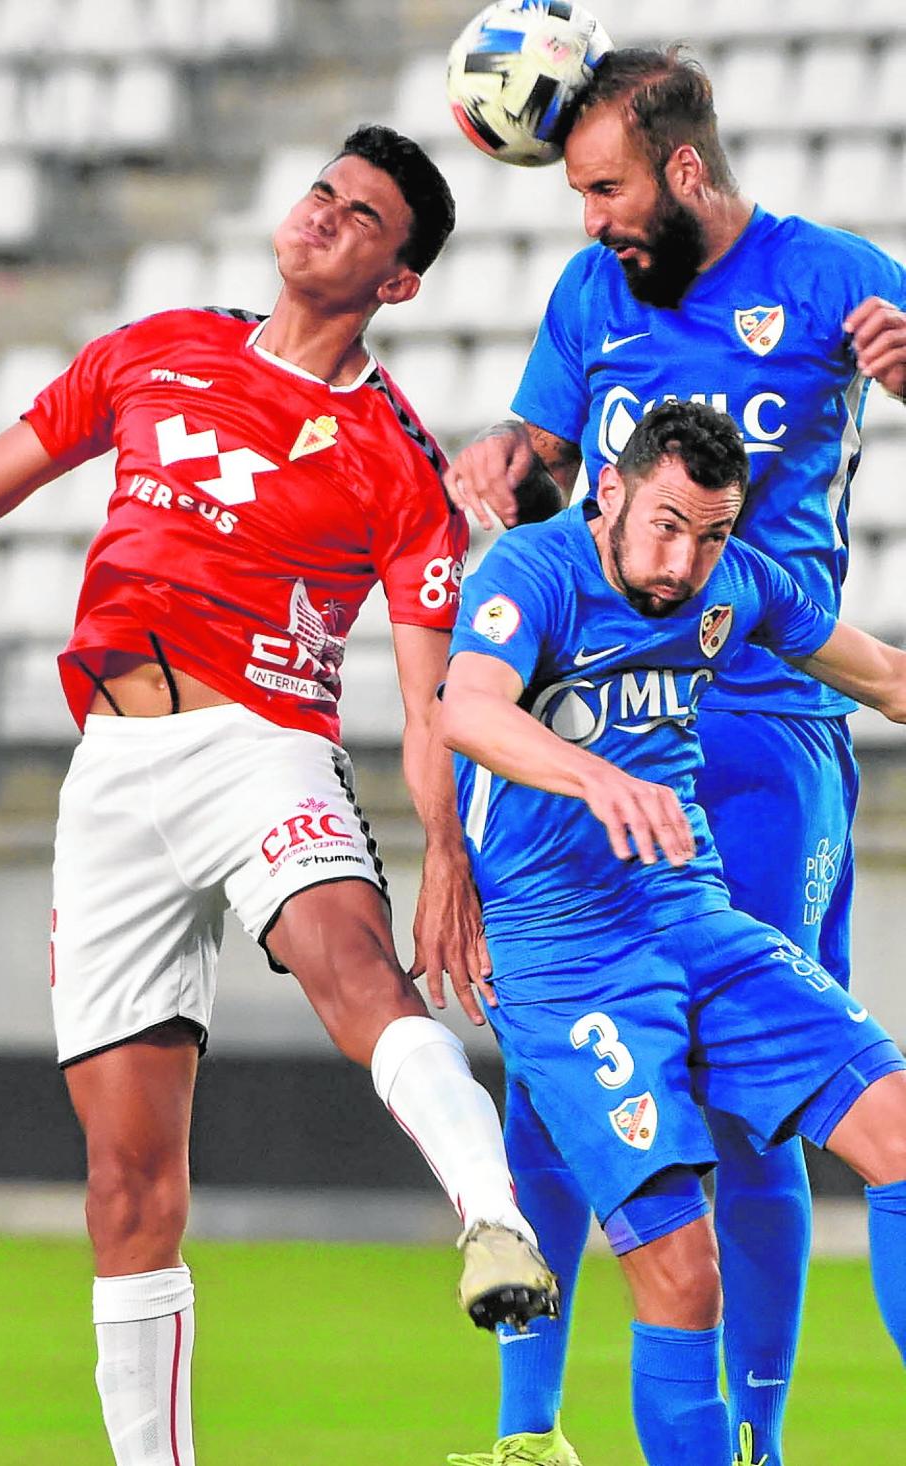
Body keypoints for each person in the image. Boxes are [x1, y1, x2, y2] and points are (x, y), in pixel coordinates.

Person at [0, 126, 559, 1465]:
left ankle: (492, 1212)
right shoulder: (157, 347)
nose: (324, 215)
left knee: (348, 964)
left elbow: (432, 689)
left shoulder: (394, 459)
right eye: (323, 190)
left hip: (259, 740)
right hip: (108, 774)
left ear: (400, 282)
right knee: (125, 1184)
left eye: (364, 217)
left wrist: (446, 843)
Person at [444, 47, 906, 1466]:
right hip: (590, 727)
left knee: (757, 1109)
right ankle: (532, 1433)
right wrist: (497, 455)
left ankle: (753, 1436)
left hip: (764, 722)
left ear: (686, 170)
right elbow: (537, 473)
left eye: (604, 188)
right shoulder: (591, 296)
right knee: (554, 1080)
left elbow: (872, 665)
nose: (587, 217)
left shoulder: (831, 275)